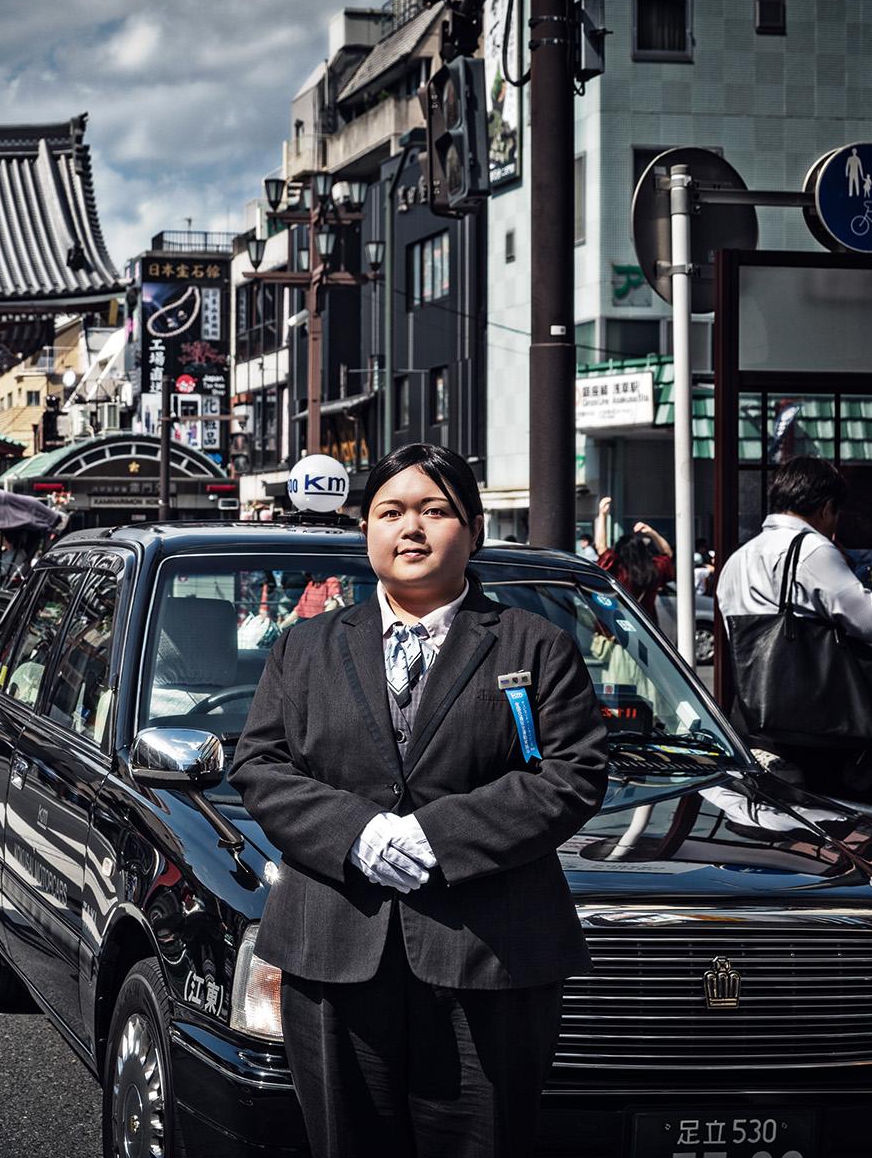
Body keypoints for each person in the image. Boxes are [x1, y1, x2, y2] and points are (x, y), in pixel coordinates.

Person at [231, 443, 608, 1157]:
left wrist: (438, 835)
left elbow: (574, 772)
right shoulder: (304, 648)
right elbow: (260, 764)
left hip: (493, 956)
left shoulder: (536, 645)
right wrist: (357, 833)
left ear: (474, 531)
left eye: (435, 511)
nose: (412, 529)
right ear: (364, 529)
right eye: (391, 512)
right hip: (334, 947)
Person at [716, 456, 872, 800]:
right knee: (839, 822)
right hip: (815, 728)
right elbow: (870, 621)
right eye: (836, 514)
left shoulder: (739, 559)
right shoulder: (812, 550)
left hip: (754, 720)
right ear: (825, 508)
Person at [593, 495, 674, 615]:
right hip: (646, 626)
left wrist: (602, 515)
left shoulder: (617, 569)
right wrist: (652, 533)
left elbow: (601, 547)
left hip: (617, 624)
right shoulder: (654, 569)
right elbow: (667, 554)